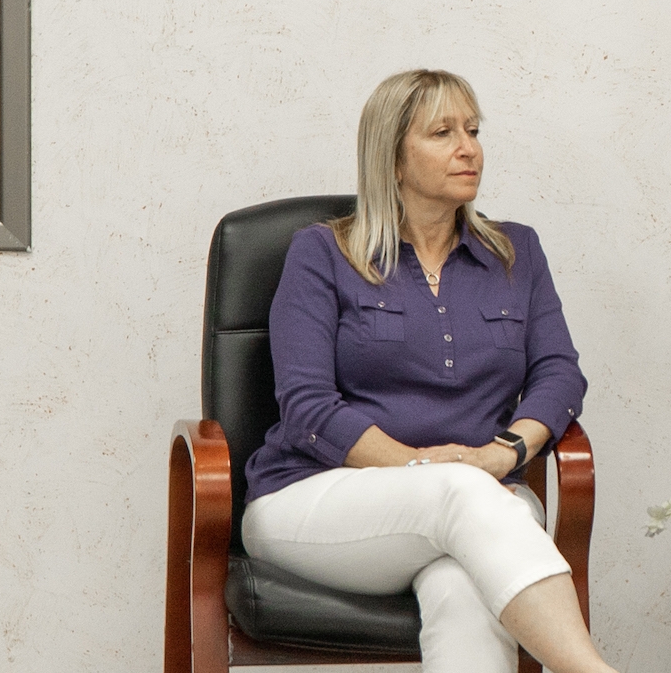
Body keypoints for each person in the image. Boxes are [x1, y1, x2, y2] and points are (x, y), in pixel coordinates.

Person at [241, 70, 614, 673]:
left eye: (472, 129)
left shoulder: (515, 253)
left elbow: (559, 376)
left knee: (466, 588)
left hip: (476, 500)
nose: (469, 148)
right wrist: (425, 467)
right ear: (390, 158)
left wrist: (501, 455)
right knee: (467, 497)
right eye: (443, 133)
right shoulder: (323, 254)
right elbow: (307, 405)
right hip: (314, 499)